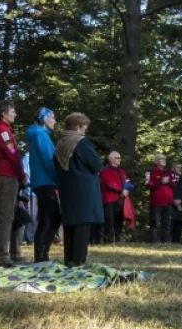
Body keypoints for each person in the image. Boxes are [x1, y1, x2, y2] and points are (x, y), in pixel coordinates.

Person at [54, 113, 103, 267]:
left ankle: (68, 259)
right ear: (77, 127)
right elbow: (96, 165)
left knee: (69, 224)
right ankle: (79, 261)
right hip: (84, 189)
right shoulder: (81, 142)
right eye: (83, 128)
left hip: (67, 189)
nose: (84, 132)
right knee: (83, 224)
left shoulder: (60, 143)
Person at [0, 100, 26, 266]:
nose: (15, 114)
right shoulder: (2, 132)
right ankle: (2, 255)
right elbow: (13, 155)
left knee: (14, 215)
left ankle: (14, 252)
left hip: (6, 176)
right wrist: (21, 174)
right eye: (12, 111)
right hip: (7, 177)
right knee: (6, 216)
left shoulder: (1, 131)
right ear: (4, 114)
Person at [27, 108, 60, 262]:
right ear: (45, 119)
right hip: (45, 181)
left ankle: (41, 256)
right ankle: (41, 256)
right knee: (53, 217)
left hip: (41, 182)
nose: (55, 120)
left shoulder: (39, 135)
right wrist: (59, 180)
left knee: (46, 218)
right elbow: (49, 161)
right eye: (52, 117)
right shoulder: (40, 135)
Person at [99, 151, 132, 244]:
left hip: (120, 199)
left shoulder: (121, 171)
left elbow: (128, 182)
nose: (119, 160)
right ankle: (108, 240)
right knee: (109, 220)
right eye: (117, 158)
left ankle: (117, 239)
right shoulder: (105, 171)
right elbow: (109, 185)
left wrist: (126, 189)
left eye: (119, 157)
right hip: (109, 199)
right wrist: (122, 191)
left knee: (119, 220)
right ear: (111, 159)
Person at [146, 153, 174, 243]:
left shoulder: (168, 172)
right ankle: (152, 242)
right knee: (154, 223)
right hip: (156, 202)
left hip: (168, 202)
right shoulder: (150, 171)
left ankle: (165, 242)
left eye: (164, 159)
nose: (164, 160)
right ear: (157, 161)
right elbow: (147, 184)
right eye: (162, 159)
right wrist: (160, 181)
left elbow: (174, 184)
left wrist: (168, 181)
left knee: (167, 224)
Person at [170, 162, 182, 244]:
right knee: (170, 225)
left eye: (180, 167)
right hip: (170, 205)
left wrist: (180, 201)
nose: (180, 169)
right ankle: (167, 242)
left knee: (179, 225)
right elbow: (167, 191)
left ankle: (176, 242)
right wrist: (174, 201)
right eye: (178, 167)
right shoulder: (169, 178)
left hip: (181, 206)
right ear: (172, 169)